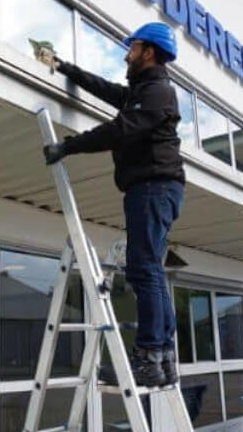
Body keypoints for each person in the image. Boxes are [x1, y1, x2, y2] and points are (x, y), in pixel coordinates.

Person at [42, 22, 185, 387]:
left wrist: (67, 146)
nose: (126, 54)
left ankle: (149, 358)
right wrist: (65, 67)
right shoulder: (146, 90)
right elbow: (107, 90)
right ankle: (163, 359)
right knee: (149, 269)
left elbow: (121, 129)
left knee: (144, 270)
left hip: (153, 188)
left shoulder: (157, 92)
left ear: (148, 52)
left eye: (132, 48)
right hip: (155, 188)